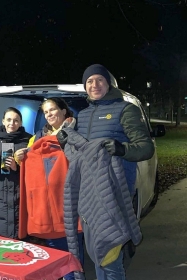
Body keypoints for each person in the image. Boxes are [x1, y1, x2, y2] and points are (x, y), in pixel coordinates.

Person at [59, 64, 155, 280]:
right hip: (89, 193)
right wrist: (65, 143)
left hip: (114, 193)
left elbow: (146, 147)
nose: (95, 85)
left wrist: (123, 149)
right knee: (96, 252)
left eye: (99, 80)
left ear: (109, 83)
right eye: (90, 81)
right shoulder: (81, 116)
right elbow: (80, 153)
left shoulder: (126, 109)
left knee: (109, 255)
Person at [15, 98, 84, 280]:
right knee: (57, 257)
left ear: (63, 111)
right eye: (46, 112)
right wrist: (19, 156)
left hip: (70, 205)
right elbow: (27, 162)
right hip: (46, 210)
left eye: (53, 110)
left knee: (73, 257)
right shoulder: (37, 137)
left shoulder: (77, 131)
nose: (49, 114)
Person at [0, 107, 31, 239]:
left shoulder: (28, 140)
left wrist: (16, 168)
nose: (12, 123)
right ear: (3, 121)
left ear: (21, 123)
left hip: (19, 192)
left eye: (16, 120)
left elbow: (34, 171)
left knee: (20, 238)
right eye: (9, 120)